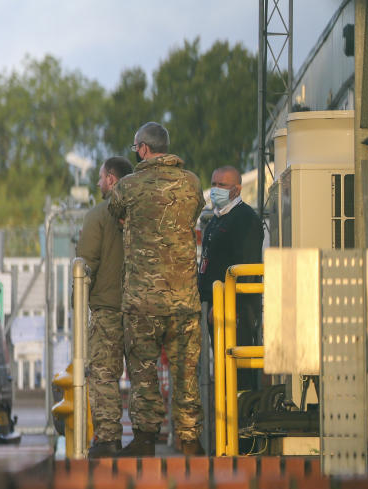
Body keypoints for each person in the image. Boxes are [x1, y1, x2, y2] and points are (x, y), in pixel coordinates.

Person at [107, 122, 205, 457]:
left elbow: (114, 211)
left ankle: (146, 440)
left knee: (144, 374)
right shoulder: (191, 183)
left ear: (144, 149)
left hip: (142, 301)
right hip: (184, 300)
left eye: (136, 149)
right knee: (186, 374)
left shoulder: (129, 186)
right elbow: (194, 212)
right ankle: (190, 441)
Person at [76, 156, 133, 458]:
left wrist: (79, 302)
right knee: (143, 375)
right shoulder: (143, 213)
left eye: (100, 178)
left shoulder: (97, 215)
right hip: (141, 309)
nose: (98, 183)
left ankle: (109, 438)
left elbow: (86, 266)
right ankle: (145, 438)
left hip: (107, 309)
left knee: (104, 375)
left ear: (111, 180)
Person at [198, 166, 264, 391]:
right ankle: (228, 417)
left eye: (222, 185)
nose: (216, 189)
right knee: (223, 369)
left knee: (238, 371)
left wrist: (228, 304)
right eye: (213, 184)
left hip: (235, 311)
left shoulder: (245, 219)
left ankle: (243, 419)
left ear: (236, 189)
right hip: (213, 308)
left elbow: (246, 266)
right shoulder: (216, 219)